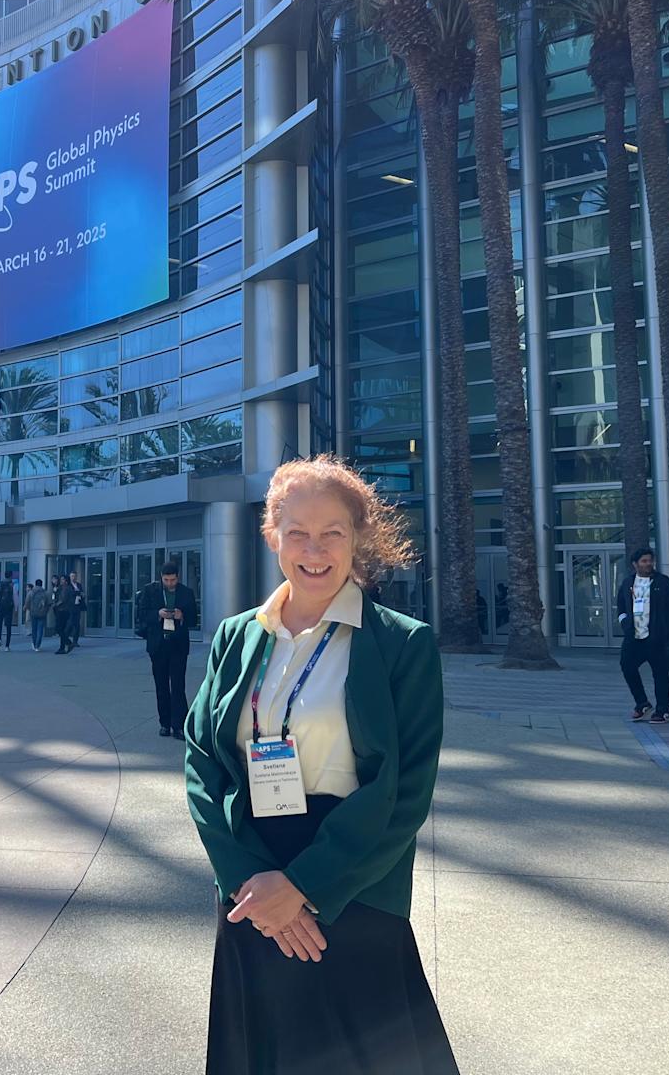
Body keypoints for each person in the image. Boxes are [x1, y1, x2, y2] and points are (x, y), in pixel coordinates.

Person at [184, 455, 458, 1075]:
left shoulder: (402, 643)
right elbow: (203, 762)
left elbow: (406, 790)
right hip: (253, 877)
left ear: (357, 537)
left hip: (351, 880)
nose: (314, 550)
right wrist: (249, 877)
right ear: (273, 536)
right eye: (298, 532)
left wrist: (306, 887)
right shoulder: (236, 637)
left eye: (332, 532)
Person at [616, 547, 669, 723]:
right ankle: (642, 703)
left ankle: (663, 710)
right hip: (634, 636)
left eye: (650, 560)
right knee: (627, 666)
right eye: (644, 561)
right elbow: (621, 606)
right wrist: (624, 622)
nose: (648, 564)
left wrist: (665, 631)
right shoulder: (628, 583)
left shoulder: (663, 583)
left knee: (659, 672)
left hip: (656, 637)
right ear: (635, 564)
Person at [137, 561, 199, 739]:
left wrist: (182, 616)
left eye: (172, 580)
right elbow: (142, 614)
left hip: (178, 645)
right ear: (161, 578)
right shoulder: (150, 591)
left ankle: (179, 725)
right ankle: (164, 723)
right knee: (161, 685)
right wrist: (158, 614)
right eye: (166, 580)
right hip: (158, 645)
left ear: (177, 578)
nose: (170, 583)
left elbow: (194, 620)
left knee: (178, 686)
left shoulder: (186, 593)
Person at [24, 579, 49, 652]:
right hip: (42, 613)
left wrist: (28, 608)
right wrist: (46, 611)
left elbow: (27, 602)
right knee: (40, 629)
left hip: (33, 613)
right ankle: (38, 645)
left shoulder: (31, 592)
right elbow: (49, 603)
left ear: (35, 584)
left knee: (34, 629)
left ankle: (34, 643)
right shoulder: (45, 593)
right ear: (41, 584)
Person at [0, 570, 15, 651]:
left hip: (0, 606)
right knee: (8, 626)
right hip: (9, 607)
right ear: (11, 576)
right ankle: (7, 646)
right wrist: (15, 607)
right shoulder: (12, 585)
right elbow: (15, 596)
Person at [51, 575, 72, 654]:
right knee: (61, 629)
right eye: (61, 579)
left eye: (63, 579)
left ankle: (67, 642)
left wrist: (55, 605)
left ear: (66, 581)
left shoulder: (66, 589)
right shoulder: (61, 588)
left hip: (62, 610)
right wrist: (55, 591)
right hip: (64, 610)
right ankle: (63, 646)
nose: (61, 580)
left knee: (58, 628)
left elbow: (62, 600)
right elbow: (55, 597)